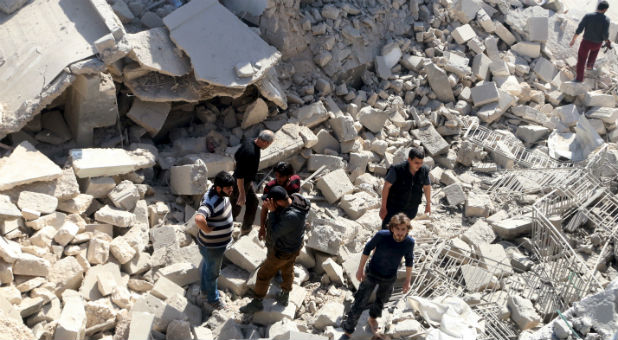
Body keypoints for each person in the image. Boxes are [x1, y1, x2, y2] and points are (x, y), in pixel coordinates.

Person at [339, 213, 415, 340]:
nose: (400, 232)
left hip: (389, 276)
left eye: (403, 229)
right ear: (392, 228)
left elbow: (409, 260)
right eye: (397, 229)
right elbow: (367, 249)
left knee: (382, 300)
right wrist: (360, 269)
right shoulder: (382, 235)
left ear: (407, 230)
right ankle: (348, 331)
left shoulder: (409, 242)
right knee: (360, 301)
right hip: (372, 273)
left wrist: (407, 280)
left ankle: (372, 318)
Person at [240, 186, 310, 314]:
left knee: (263, 275)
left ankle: (257, 303)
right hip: (294, 247)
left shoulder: (291, 217)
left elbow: (273, 233)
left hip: (282, 252)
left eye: (272, 202)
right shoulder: (296, 202)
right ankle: (284, 296)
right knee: (288, 270)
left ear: (278, 201)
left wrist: (272, 212)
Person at [194, 171, 235, 310]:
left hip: (212, 246)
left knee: (208, 265)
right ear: (218, 188)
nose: (231, 190)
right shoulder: (212, 201)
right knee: (213, 273)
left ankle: (204, 291)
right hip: (213, 247)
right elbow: (199, 218)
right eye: (228, 188)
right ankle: (213, 299)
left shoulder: (219, 193)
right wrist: (206, 229)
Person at [231, 130, 274, 236]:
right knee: (235, 208)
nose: (268, 146)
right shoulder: (250, 152)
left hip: (246, 182)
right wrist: (242, 192)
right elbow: (239, 174)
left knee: (253, 202)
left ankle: (246, 229)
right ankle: (224, 227)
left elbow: (236, 156)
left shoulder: (249, 141)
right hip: (239, 184)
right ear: (264, 142)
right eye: (269, 144)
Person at [379, 147, 431, 229]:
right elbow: (386, 187)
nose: (419, 165)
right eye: (416, 163)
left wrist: (428, 204)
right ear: (409, 160)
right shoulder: (397, 170)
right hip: (393, 208)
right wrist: (383, 207)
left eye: (421, 163)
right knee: (387, 231)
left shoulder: (424, 171)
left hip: (411, 210)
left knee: (402, 233)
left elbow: (427, 187)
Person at [569, 1, 611, 82]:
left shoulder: (588, 16)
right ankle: (589, 65)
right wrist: (607, 41)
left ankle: (579, 78)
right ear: (605, 9)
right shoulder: (606, 19)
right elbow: (605, 34)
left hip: (586, 42)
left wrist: (573, 39)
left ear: (598, 7)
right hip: (597, 44)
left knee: (581, 59)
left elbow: (579, 29)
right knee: (594, 52)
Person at [259, 161, 301, 241]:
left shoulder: (295, 183)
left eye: (281, 176)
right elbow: (265, 207)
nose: (278, 178)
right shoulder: (270, 187)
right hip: (275, 215)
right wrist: (262, 227)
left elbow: (297, 199)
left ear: (289, 176)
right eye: (276, 175)